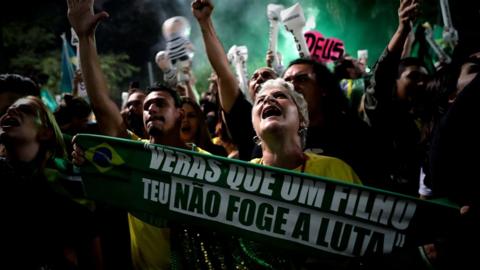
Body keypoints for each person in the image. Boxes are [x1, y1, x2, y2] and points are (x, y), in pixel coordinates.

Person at [236, 78, 361, 269]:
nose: (268, 100)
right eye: (260, 100)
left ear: (302, 118)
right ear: (254, 127)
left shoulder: (336, 170)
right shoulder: (240, 179)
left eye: (279, 96)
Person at [0, 96, 102, 269]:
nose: (10, 111)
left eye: (25, 110)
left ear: (46, 132)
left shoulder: (65, 195)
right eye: (7, 109)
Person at [360, 0, 432, 195]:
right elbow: (381, 76)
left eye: (425, 79)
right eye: (413, 77)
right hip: (384, 199)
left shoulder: (431, 118)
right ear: (395, 82)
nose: (421, 83)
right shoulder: (383, 113)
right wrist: (402, 31)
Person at [192, 0, 278, 160]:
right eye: (255, 77)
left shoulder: (297, 113)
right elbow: (223, 73)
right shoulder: (246, 117)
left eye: (266, 75)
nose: (259, 78)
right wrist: (205, 22)